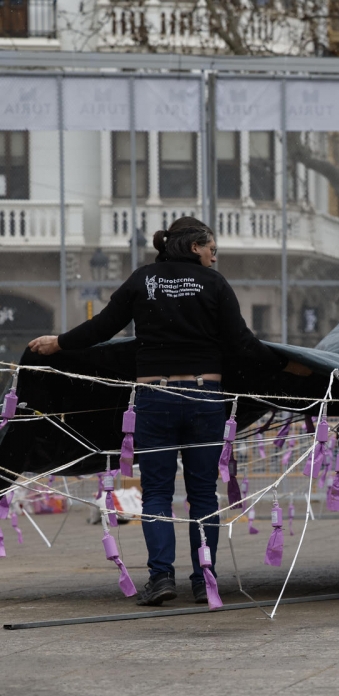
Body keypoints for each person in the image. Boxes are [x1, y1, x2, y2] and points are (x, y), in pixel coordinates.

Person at [28, 216, 311, 605]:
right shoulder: (215, 284)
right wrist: (286, 366)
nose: (215, 256)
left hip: (155, 399)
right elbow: (243, 344)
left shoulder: (143, 279)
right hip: (204, 398)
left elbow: (102, 329)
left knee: (157, 493)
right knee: (203, 496)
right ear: (195, 247)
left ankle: (161, 578)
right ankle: (203, 580)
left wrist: (58, 343)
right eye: (212, 248)